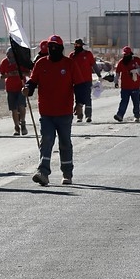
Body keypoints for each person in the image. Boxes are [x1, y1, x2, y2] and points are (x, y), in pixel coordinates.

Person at [23, 35, 89, 186]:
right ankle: (43, 172)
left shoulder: (69, 64)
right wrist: (27, 89)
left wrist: (79, 104)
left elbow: (80, 86)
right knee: (46, 140)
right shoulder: (40, 64)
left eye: (55, 47)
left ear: (61, 48)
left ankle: (67, 173)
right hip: (46, 111)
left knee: (65, 143)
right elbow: (32, 82)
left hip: (64, 112)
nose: (53, 49)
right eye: (50, 47)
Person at [0, 47, 29, 135]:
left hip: (21, 87)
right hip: (10, 88)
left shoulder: (21, 62)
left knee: (21, 105)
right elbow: (1, 75)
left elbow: (29, 73)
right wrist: (8, 75)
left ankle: (22, 122)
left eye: (11, 56)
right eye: (8, 56)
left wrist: (20, 73)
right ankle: (16, 127)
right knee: (14, 109)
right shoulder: (4, 62)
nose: (10, 58)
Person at [113, 46, 140, 122]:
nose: (125, 56)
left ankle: (136, 115)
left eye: (127, 54)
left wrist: (136, 70)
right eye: (124, 54)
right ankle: (120, 115)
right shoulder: (121, 62)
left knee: (136, 101)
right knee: (124, 101)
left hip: (135, 85)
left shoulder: (136, 60)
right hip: (125, 86)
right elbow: (117, 72)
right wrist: (116, 82)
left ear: (130, 54)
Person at [69, 38, 97, 122]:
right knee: (78, 98)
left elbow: (94, 65)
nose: (76, 46)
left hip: (87, 80)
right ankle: (79, 116)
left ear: (81, 45)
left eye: (78, 45)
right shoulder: (72, 56)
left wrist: (99, 75)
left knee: (87, 97)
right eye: (75, 45)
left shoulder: (88, 54)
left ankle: (88, 116)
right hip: (76, 81)